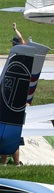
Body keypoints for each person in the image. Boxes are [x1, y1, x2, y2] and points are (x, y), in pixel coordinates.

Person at [2, 23, 26, 165]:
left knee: (9, 135)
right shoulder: (16, 54)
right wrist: (15, 29)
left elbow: (22, 39)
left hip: (14, 97)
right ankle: (8, 163)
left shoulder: (20, 53)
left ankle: (13, 163)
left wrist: (16, 30)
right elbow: (21, 38)